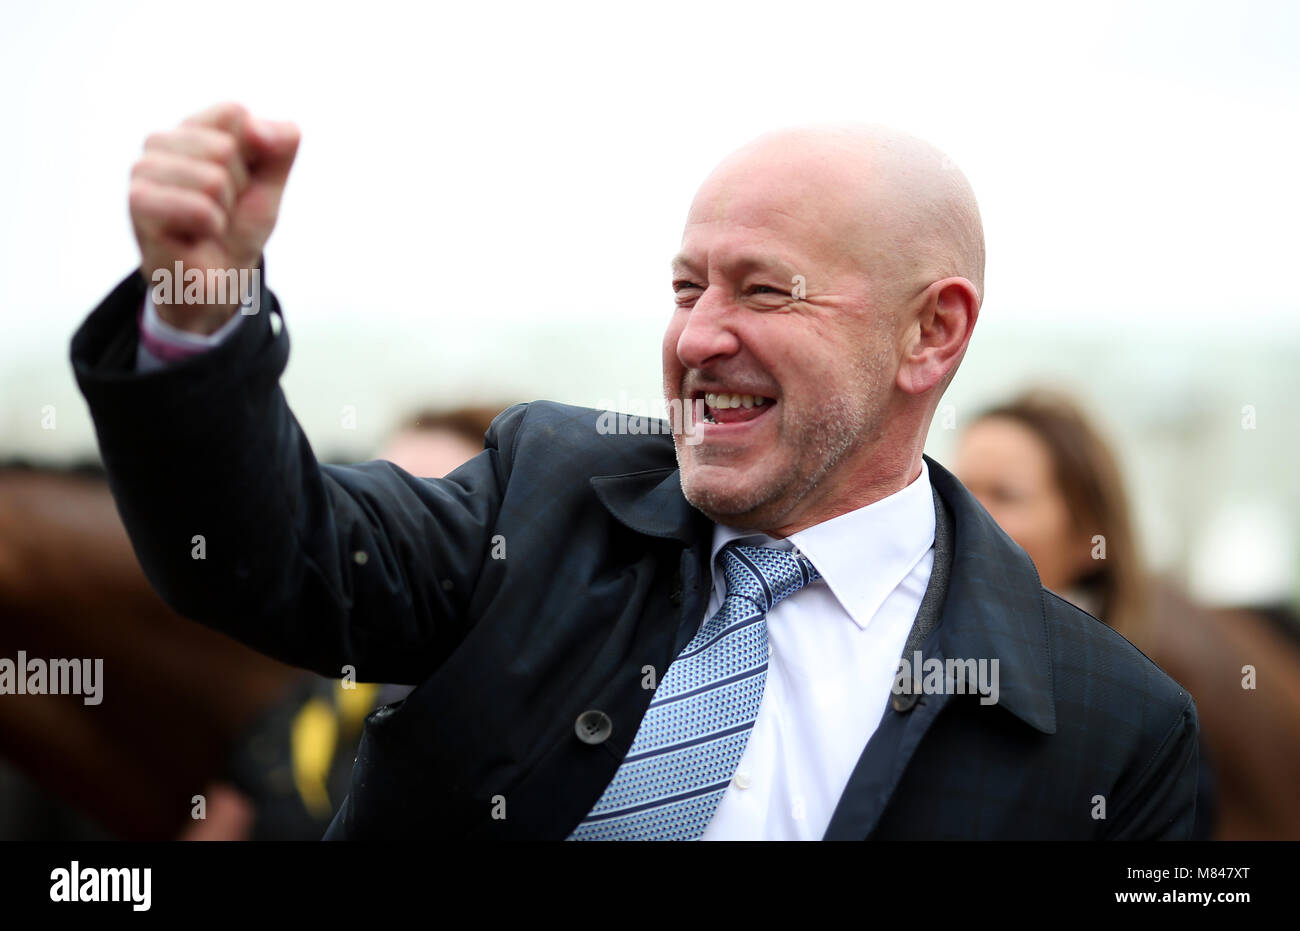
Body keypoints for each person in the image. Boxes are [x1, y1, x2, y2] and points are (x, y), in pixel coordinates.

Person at [69, 103, 1199, 840]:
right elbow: (269, 554)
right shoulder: (542, 497)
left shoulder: (1115, 731)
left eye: (763, 290)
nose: (698, 337)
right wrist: (200, 308)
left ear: (931, 335)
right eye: (684, 286)